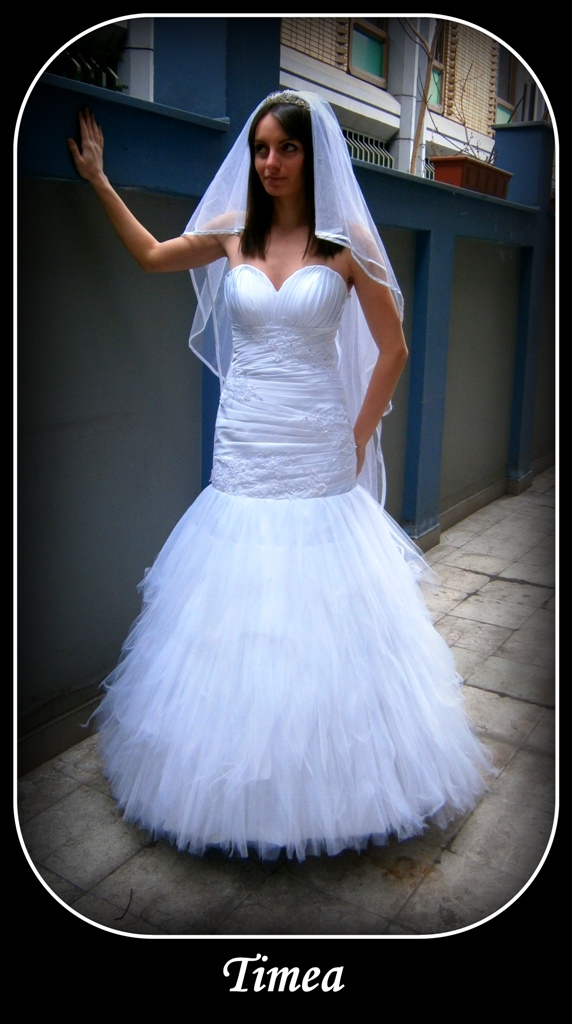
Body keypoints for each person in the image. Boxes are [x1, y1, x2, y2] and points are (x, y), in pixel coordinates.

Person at [68, 90, 492, 862]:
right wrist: (99, 179)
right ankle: (234, 795)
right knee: (237, 614)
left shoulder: (346, 243)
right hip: (244, 446)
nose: (270, 163)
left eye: (285, 148)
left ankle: (332, 790)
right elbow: (153, 256)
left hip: (318, 447)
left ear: (312, 155)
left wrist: (356, 437)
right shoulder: (234, 232)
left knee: (327, 618)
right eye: (260, 149)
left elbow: (393, 349)